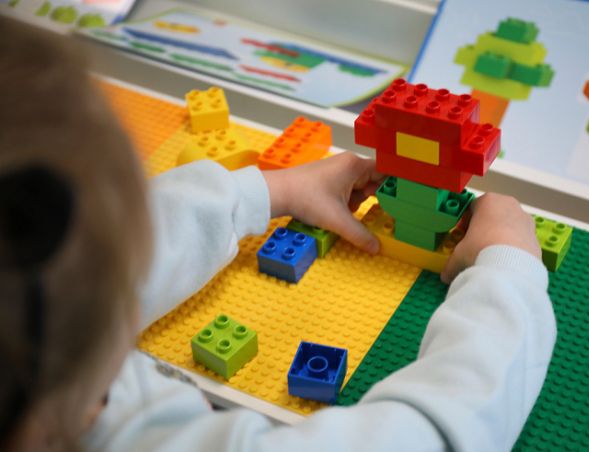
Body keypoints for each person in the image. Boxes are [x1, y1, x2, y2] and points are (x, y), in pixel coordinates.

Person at [0, 17, 556, 452]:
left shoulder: (43, 362)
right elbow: (429, 436)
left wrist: (269, 191)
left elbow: (93, 265)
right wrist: (508, 274)